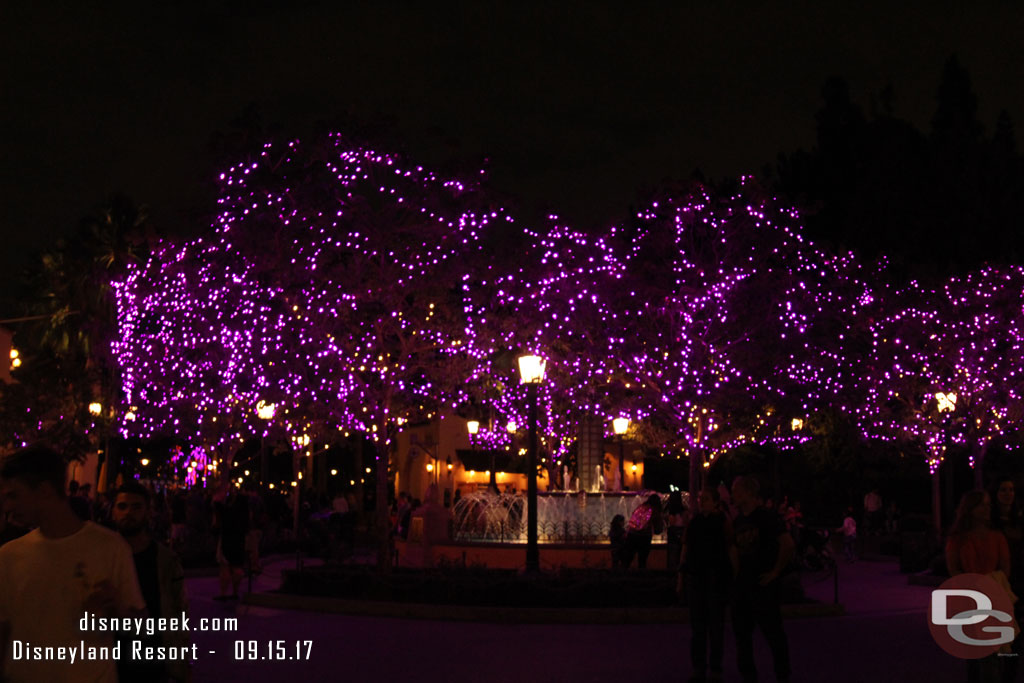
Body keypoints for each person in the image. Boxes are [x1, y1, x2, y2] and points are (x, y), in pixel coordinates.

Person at [0, 446, 146, 683]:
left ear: (45, 491)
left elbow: (140, 627)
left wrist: (117, 609)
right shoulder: (9, 556)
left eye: (14, 495)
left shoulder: (109, 547)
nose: (7, 506)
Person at [112, 481, 190, 683]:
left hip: (153, 659)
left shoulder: (165, 560)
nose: (128, 513)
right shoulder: (102, 556)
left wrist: (180, 663)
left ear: (148, 512)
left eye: (136, 507)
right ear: (113, 511)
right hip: (110, 660)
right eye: (122, 506)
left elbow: (179, 611)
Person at [947, 489, 1013, 683]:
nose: (987, 509)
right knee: (975, 657)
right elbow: (954, 570)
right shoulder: (958, 539)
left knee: (993, 656)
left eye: (988, 505)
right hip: (968, 602)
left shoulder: (996, 536)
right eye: (982, 505)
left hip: (993, 601)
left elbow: (1005, 568)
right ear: (971, 508)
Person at [731, 476, 792, 683]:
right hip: (744, 585)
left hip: (763, 584)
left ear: (748, 493)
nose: (733, 495)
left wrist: (775, 571)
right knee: (742, 634)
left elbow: (787, 543)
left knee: (773, 633)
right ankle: (749, 675)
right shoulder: (738, 520)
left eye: (736, 491)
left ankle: (783, 675)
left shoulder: (767, 517)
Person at [679, 487, 736, 683]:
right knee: (698, 627)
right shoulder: (694, 523)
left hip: (715, 578)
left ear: (715, 503)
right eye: (701, 499)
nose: (702, 502)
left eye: (706, 499)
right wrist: (681, 576)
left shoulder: (721, 522)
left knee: (715, 626)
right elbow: (685, 548)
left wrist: (734, 574)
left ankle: (715, 668)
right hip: (697, 578)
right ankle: (699, 667)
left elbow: (730, 548)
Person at [990, 477, 1024, 683]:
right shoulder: (990, 521)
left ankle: (1009, 674)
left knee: (1015, 633)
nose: (1008, 494)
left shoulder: (1018, 520)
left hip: (1018, 580)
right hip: (998, 580)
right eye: (1003, 489)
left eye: (1011, 489)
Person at [213, 482, 249, 600]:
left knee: (225, 567)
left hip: (228, 539)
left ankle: (223, 593)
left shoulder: (229, 511)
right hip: (239, 540)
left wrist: (217, 502)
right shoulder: (244, 512)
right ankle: (235, 591)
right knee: (237, 567)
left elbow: (222, 513)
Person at [622, 494, 664, 569]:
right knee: (642, 560)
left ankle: (623, 576)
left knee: (627, 560)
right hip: (644, 537)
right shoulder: (654, 510)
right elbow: (658, 529)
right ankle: (640, 577)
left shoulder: (640, 507)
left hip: (632, 535)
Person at [665, 490, 688, 571]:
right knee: (681, 555)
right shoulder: (684, 511)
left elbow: (672, 523)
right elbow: (686, 522)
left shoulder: (671, 511)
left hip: (673, 533)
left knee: (673, 555)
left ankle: (672, 573)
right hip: (682, 532)